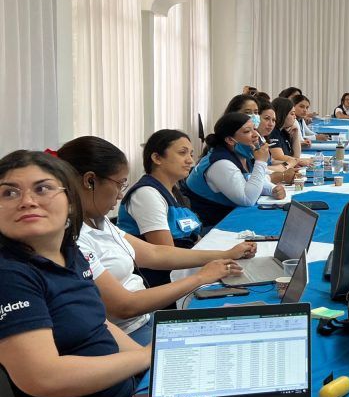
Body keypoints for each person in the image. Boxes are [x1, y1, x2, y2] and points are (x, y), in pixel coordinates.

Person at [0, 150, 151, 397]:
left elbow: (100, 323)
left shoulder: (70, 253)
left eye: (42, 189)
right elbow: (43, 376)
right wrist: (144, 359)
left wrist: (150, 362)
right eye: (9, 192)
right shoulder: (9, 276)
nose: (26, 201)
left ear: (70, 201)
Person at [56, 137, 251, 345]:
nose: (121, 194)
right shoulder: (73, 237)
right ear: (90, 181)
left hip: (145, 320)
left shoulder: (98, 220)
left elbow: (154, 253)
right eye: (120, 184)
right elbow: (125, 306)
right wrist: (200, 278)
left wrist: (226, 254)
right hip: (129, 333)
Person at [118, 129, 203, 290]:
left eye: (191, 154)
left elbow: (193, 235)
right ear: (157, 158)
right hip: (161, 282)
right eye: (182, 153)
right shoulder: (146, 194)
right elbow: (166, 255)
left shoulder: (175, 191)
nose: (190, 161)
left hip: (184, 270)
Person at [183, 112, 286, 227]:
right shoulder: (220, 163)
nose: (255, 135)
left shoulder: (242, 154)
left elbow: (249, 180)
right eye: (247, 131)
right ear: (230, 140)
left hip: (229, 217)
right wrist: (260, 162)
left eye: (254, 129)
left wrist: (272, 189)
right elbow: (247, 199)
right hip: (212, 227)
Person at [268, 96, 303, 163]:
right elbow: (279, 157)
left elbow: (296, 156)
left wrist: (296, 135)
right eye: (292, 114)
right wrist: (301, 161)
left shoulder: (283, 131)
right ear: (282, 114)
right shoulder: (272, 132)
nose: (295, 117)